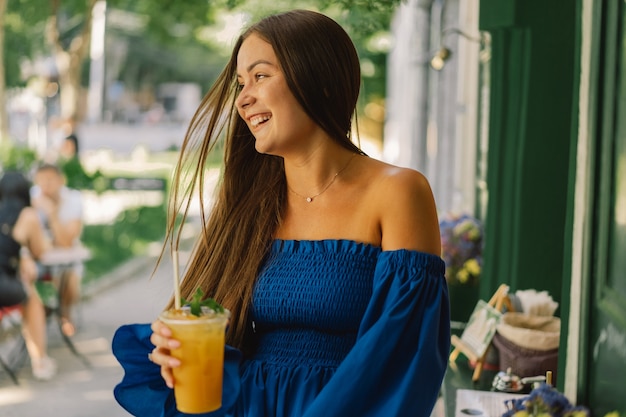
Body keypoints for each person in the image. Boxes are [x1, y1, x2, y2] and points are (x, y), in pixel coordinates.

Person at [112, 9, 449, 417]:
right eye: (240, 83)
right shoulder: (248, 208)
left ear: (319, 80)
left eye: (260, 76)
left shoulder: (398, 191)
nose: (242, 98)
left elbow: (404, 358)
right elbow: (214, 334)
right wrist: (173, 352)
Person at [0, 171, 57, 380]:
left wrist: (22, 254)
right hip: (3, 284)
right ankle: (40, 361)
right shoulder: (27, 215)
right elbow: (41, 251)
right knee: (31, 296)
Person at [31, 163, 84, 337]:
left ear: (61, 181)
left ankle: (64, 315)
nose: (45, 185)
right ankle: (40, 312)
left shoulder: (74, 199)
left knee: (69, 280)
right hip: (38, 259)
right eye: (41, 181)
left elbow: (66, 242)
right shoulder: (32, 198)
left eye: (50, 180)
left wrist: (52, 214)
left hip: (66, 259)